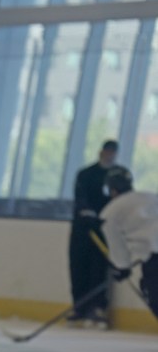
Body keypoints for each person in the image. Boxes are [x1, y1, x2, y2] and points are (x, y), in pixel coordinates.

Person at [68, 139, 119, 328]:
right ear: (101, 152)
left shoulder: (118, 176)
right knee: (79, 267)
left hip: (104, 230)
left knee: (99, 269)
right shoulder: (86, 174)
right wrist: (86, 212)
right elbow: (80, 198)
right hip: (83, 229)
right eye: (107, 151)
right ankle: (79, 307)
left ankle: (97, 307)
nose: (109, 154)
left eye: (113, 152)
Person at [101, 165, 158, 320]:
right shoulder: (151, 197)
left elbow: (116, 246)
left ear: (111, 190)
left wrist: (122, 267)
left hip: (154, 260)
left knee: (154, 295)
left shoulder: (110, 211)